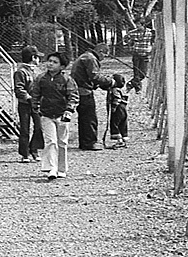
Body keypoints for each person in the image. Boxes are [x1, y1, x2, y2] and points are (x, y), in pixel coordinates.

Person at [30, 51, 79, 181]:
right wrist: (36, 107)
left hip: (62, 115)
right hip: (46, 114)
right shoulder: (41, 78)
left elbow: (73, 96)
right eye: (49, 61)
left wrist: (69, 110)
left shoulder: (67, 79)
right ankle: (51, 168)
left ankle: (61, 169)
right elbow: (35, 94)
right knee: (50, 141)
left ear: (62, 66)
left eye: (55, 62)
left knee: (62, 142)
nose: (50, 64)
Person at [69, 45, 115, 151]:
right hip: (84, 91)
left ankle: (84, 142)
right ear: (100, 51)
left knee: (83, 118)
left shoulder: (85, 56)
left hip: (77, 89)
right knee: (89, 118)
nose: (104, 58)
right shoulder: (91, 59)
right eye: (105, 55)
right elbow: (95, 76)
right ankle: (89, 143)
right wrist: (110, 81)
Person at [13, 45, 44, 162]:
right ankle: (24, 153)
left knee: (39, 127)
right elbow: (19, 88)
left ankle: (34, 149)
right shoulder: (20, 72)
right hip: (25, 104)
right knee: (25, 129)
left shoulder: (38, 71)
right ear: (33, 58)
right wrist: (28, 97)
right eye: (37, 57)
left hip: (37, 104)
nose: (39, 60)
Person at [127, 20, 154, 91]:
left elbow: (154, 40)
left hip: (145, 54)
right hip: (136, 54)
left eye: (138, 24)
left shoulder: (150, 32)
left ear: (143, 25)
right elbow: (126, 39)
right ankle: (138, 89)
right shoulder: (132, 33)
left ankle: (131, 84)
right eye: (136, 24)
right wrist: (130, 43)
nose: (137, 26)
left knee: (143, 74)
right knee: (136, 73)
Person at [107, 73, 130, 148]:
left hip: (118, 108)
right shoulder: (123, 90)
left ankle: (118, 139)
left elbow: (117, 98)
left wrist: (114, 107)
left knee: (115, 123)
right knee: (123, 123)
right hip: (123, 108)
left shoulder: (115, 90)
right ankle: (124, 138)